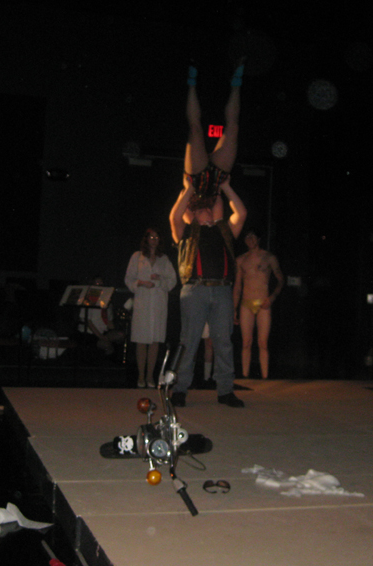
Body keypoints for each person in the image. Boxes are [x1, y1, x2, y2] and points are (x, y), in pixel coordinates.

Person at [168, 60, 247, 407]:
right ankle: (180, 389)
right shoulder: (186, 233)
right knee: (196, 130)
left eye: (213, 208)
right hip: (196, 290)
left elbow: (241, 213)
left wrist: (226, 189)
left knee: (223, 341)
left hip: (221, 290)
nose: (209, 210)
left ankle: (225, 390)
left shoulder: (225, 230)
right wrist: (188, 188)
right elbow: (173, 215)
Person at [125, 228, 177, 388]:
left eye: (156, 237)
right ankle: (141, 376)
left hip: (158, 305)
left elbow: (172, 281)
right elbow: (128, 279)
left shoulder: (164, 259)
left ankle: (150, 376)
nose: (153, 240)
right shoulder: (137, 257)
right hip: (142, 304)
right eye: (151, 237)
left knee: (155, 341)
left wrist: (160, 280)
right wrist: (140, 283)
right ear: (146, 239)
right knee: (141, 341)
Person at [233, 229, 284, 379]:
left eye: (253, 236)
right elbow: (237, 286)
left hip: (263, 303)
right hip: (246, 303)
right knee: (246, 342)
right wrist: (234, 308)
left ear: (258, 238)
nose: (250, 239)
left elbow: (281, 280)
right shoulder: (241, 260)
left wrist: (272, 297)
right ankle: (245, 376)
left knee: (263, 343)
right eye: (247, 237)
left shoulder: (269, 258)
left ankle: (265, 377)